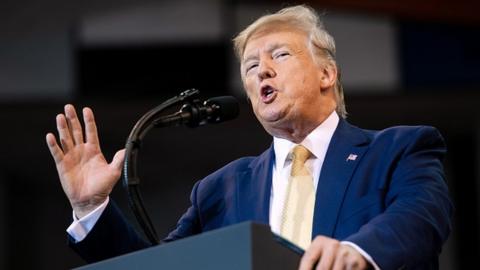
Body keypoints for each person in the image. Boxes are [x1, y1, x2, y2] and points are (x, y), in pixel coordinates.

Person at [46, 5, 453, 270]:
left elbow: (421, 219)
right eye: (251, 66)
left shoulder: (398, 149)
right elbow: (158, 267)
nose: (262, 71)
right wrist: (91, 206)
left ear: (327, 74)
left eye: (279, 55)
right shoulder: (219, 190)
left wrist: (358, 253)